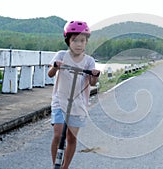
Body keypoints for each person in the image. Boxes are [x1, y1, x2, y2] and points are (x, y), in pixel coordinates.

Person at [48, 20, 100, 169]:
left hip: (78, 104)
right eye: (75, 40)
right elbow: (50, 74)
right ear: (68, 41)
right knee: (58, 134)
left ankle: (65, 167)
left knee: (71, 137)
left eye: (82, 41)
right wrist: (56, 67)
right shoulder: (61, 55)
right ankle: (55, 165)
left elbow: (92, 83)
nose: (79, 44)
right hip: (60, 100)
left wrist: (95, 76)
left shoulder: (89, 61)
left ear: (86, 42)